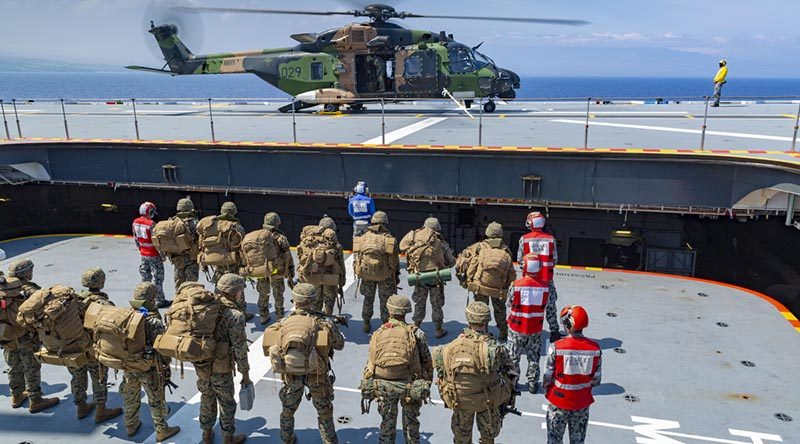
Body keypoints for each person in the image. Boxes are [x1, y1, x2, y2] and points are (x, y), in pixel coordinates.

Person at [270, 283, 345, 444]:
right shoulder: (324, 322)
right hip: (317, 374)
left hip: (291, 373)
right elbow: (339, 344)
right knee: (324, 412)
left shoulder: (283, 322)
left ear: (295, 301)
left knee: (288, 410)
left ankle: (286, 438)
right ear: (313, 300)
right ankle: (329, 441)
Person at [434, 301, 516, 444]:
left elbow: (442, 372)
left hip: (460, 402)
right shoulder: (494, 348)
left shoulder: (451, 347)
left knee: (461, 439)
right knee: (488, 438)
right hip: (487, 402)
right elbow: (511, 372)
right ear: (486, 322)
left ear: (469, 319)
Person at [359, 295, 433, 443]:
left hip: (383, 385)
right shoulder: (416, 333)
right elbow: (427, 361)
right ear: (406, 312)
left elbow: (372, 360)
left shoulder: (379, 333)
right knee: (411, 422)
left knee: (387, 421)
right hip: (409, 385)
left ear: (389, 311)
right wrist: (426, 382)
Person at [121, 282, 180, 441]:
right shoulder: (154, 321)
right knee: (156, 398)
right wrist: (166, 365)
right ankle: (162, 430)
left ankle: (130, 425)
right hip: (149, 366)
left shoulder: (126, 314)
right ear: (153, 298)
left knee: (131, 395)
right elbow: (161, 347)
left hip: (129, 364)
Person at [0, 260, 59, 413]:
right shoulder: (29, 289)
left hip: (6, 334)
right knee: (31, 366)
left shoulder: (4, 286)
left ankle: (17, 395)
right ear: (26, 273)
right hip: (25, 335)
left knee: (13, 365)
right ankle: (36, 400)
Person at [199, 274, 250, 444]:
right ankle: (228, 438)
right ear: (234, 292)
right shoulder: (234, 315)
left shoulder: (206, 307)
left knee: (206, 398)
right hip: (221, 367)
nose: (241, 294)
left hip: (202, 364)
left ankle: (206, 435)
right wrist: (245, 373)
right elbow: (240, 348)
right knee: (227, 402)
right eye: (240, 291)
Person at [543, 305, 602, 444]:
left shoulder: (556, 347)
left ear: (568, 324)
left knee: (554, 440)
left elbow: (547, 376)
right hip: (581, 403)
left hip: (558, 402)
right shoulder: (595, 349)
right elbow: (596, 380)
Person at [70, 267, 123, 422]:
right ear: (101, 282)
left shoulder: (74, 299)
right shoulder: (102, 303)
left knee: (77, 376)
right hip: (92, 347)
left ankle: (81, 407)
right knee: (99, 376)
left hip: (75, 345)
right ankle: (101, 409)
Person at [455, 222, 516, 341]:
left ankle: (482, 332)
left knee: (481, 309)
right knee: (500, 310)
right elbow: (511, 273)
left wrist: (467, 281)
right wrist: (507, 286)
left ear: (487, 233)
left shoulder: (478, 247)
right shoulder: (506, 250)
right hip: (498, 289)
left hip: (480, 287)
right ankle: (503, 332)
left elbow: (464, 264)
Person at [399, 217, 456, 339]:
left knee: (419, 303)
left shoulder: (413, 235)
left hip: (418, 277)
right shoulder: (440, 243)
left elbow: (401, 246)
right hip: (435, 278)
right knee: (436, 304)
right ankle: (438, 329)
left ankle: (416, 326)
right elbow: (451, 261)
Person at [197, 201, 251, 320]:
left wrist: (202, 261)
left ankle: (218, 310)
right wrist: (245, 265)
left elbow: (201, 243)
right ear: (233, 212)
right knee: (236, 286)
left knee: (219, 285)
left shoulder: (210, 225)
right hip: (232, 262)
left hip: (216, 261)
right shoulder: (235, 227)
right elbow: (241, 247)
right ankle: (240, 312)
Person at [507, 254, 549, 394]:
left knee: (513, 356)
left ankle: (513, 383)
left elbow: (509, 303)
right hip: (535, 328)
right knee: (534, 357)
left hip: (516, 328)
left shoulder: (516, 285)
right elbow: (548, 303)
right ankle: (532, 383)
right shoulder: (545, 287)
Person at [518, 211, 561, 341]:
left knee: (527, 307)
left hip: (529, 282)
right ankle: (554, 332)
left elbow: (520, 261)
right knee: (551, 306)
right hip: (546, 280)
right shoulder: (550, 239)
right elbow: (555, 260)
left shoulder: (524, 239)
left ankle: (526, 332)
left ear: (529, 223)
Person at [354, 210, 400, 333]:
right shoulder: (389, 240)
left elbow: (357, 258)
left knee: (368, 299)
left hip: (367, 274)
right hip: (384, 276)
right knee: (385, 301)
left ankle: (366, 323)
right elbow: (394, 263)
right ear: (385, 223)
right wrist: (395, 275)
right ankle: (385, 324)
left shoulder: (362, 238)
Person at [296, 215, 346, 315]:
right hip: (329, 278)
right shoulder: (335, 245)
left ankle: (315, 321)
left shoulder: (308, 242)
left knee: (315, 302)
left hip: (313, 278)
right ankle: (327, 321)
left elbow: (301, 260)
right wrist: (341, 282)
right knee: (329, 302)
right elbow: (341, 266)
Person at [256, 212, 295, 325]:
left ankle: (263, 315)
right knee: (278, 293)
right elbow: (288, 256)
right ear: (277, 223)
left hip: (262, 270)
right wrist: (290, 272)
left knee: (263, 292)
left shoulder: (258, 236)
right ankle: (279, 316)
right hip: (277, 270)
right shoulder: (281, 238)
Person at [133, 201, 169, 308]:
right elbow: (156, 242)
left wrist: (141, 250)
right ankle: (160, 300)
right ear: (150, 212)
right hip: (153, 254)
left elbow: (136, 239)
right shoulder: (151, 224)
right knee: (157, 277)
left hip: (143, 254)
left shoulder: (135, 222)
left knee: (145, 276)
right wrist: (162, 256)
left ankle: (145, 296)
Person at [166, 197, 200, 291]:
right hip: (191, 258)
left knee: (179, 283)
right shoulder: (194, 222)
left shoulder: (172, 221)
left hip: (177, 258)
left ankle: (178, 301)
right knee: (191, 285)